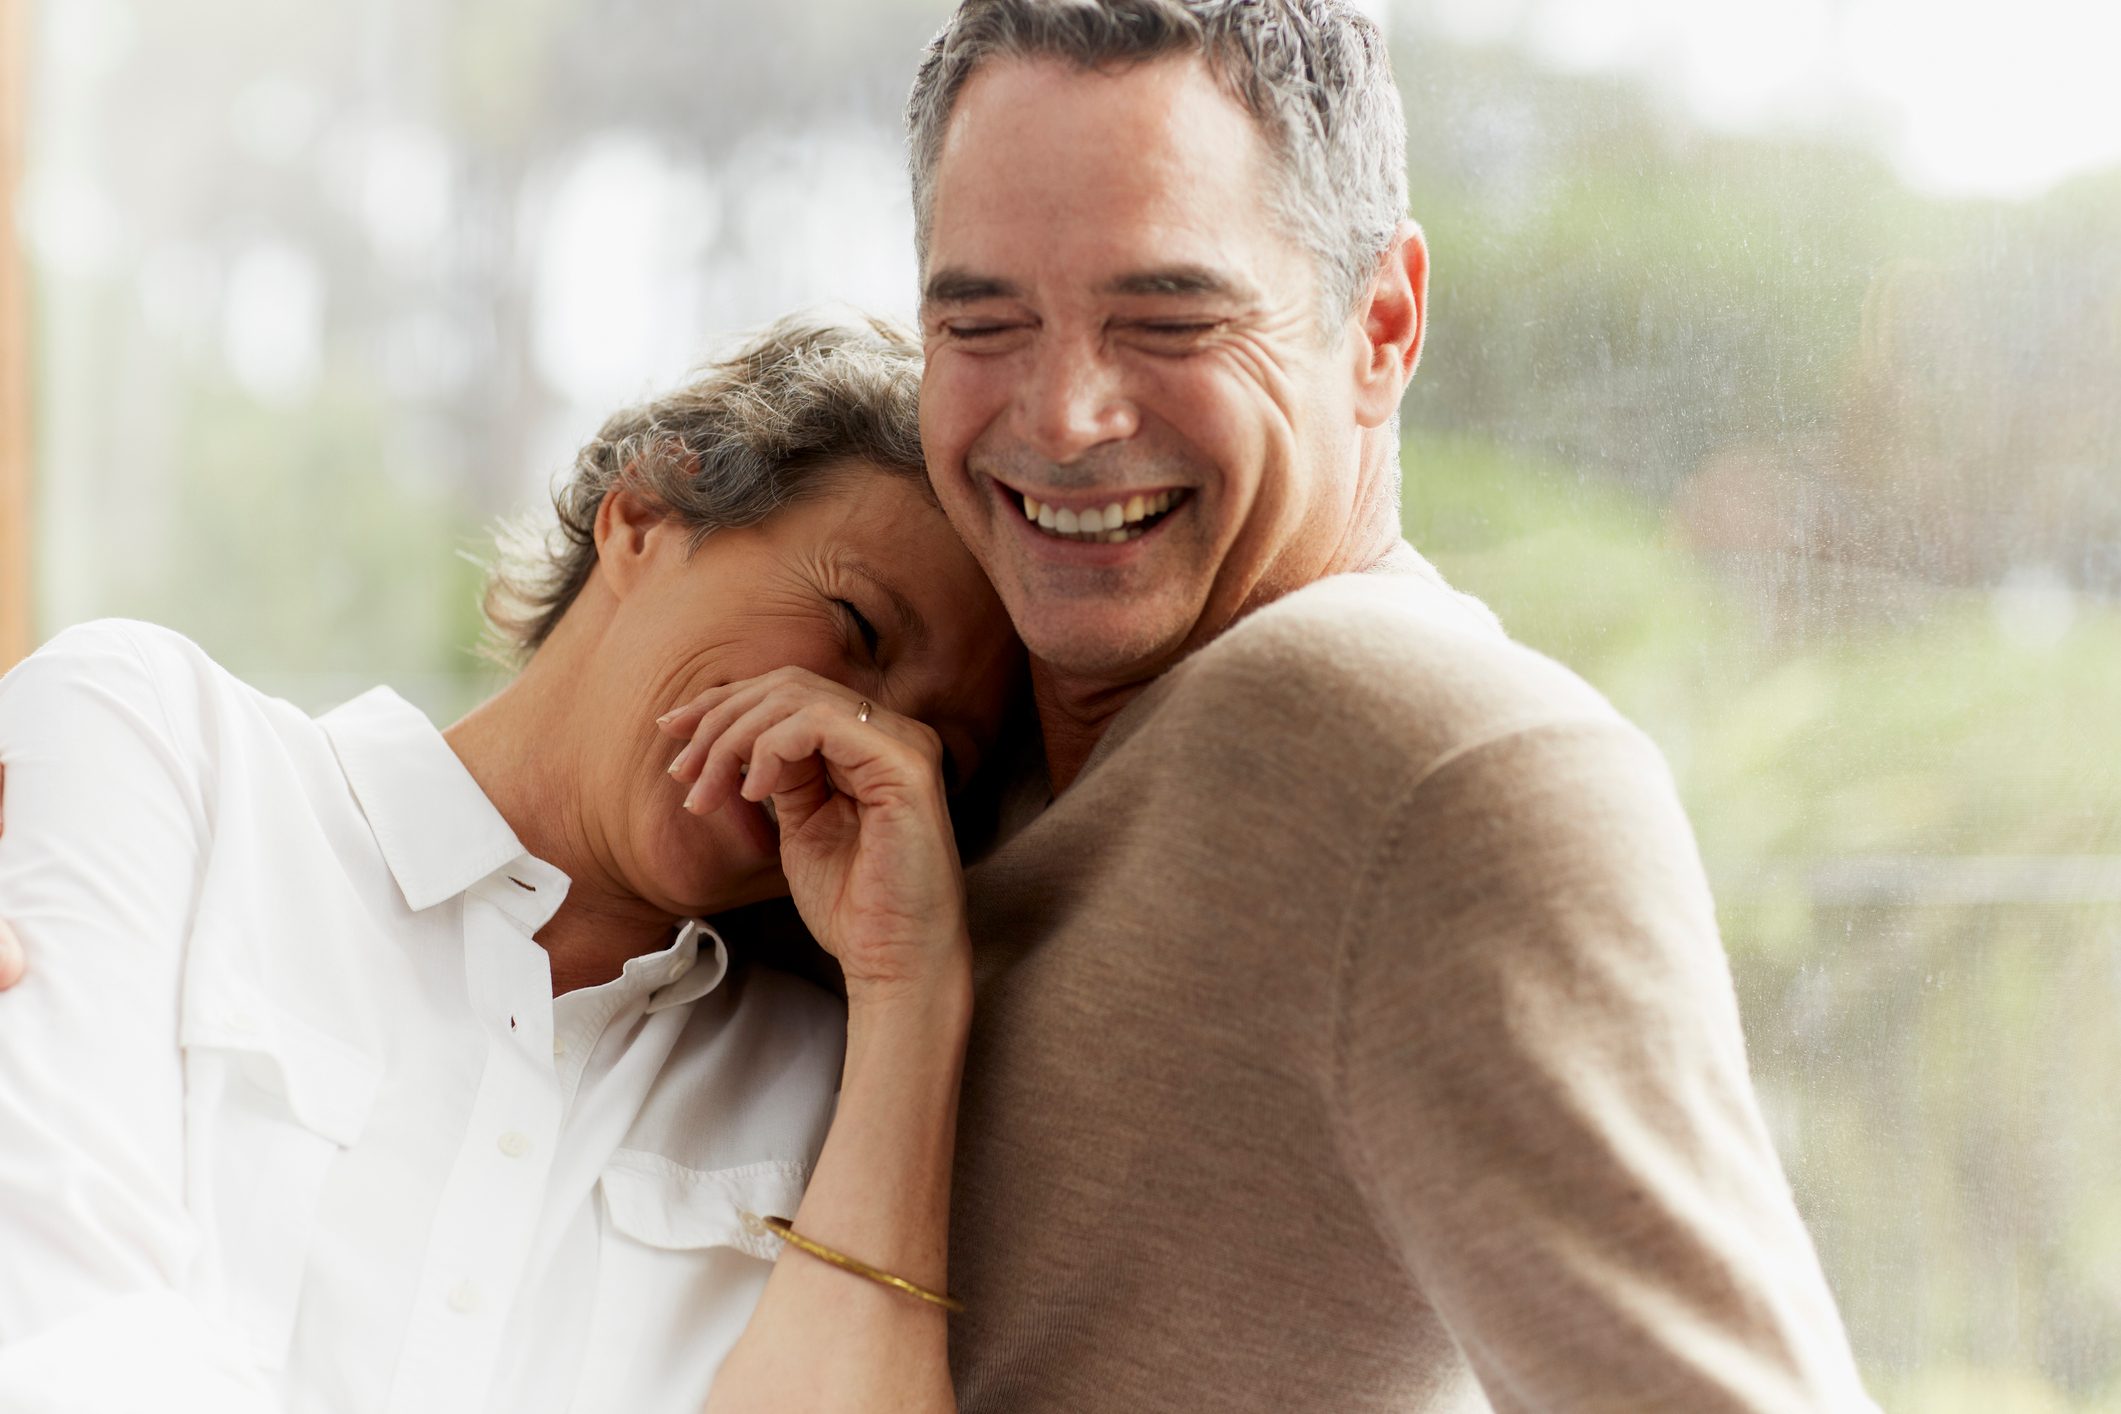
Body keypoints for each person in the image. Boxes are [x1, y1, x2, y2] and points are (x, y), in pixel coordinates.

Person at [874, 0, 1875, 1408]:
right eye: (983, 321)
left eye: (1168, 317)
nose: (1062, 414)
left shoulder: (1429, 756)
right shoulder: (943, 729)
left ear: (1382, 325)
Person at [0, 314, 1020, 1412]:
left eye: (934, 759)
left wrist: (910, 992)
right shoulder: (165, 750)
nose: (853, 741)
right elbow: (59, 1320)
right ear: (644, 518)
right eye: (857, 627)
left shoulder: (830, 1085)